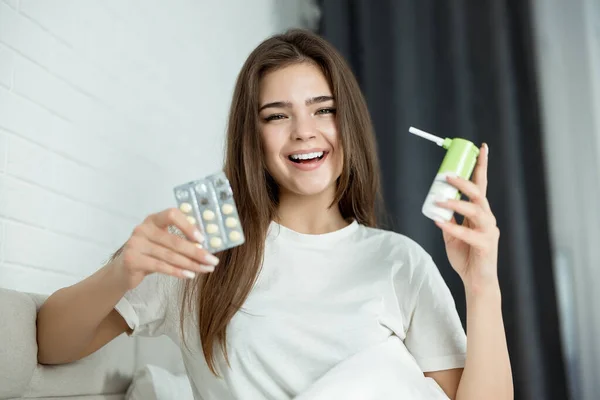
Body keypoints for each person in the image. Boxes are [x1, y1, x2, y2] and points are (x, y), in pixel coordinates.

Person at [36, 29, 513, 399]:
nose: (304, 132)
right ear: (253, 136)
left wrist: (482, 282)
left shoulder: (399, 260)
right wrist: (124, 271)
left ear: (348, 123)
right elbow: (50, 345)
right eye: (277, 115)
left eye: (323, 109)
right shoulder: (205, 242)